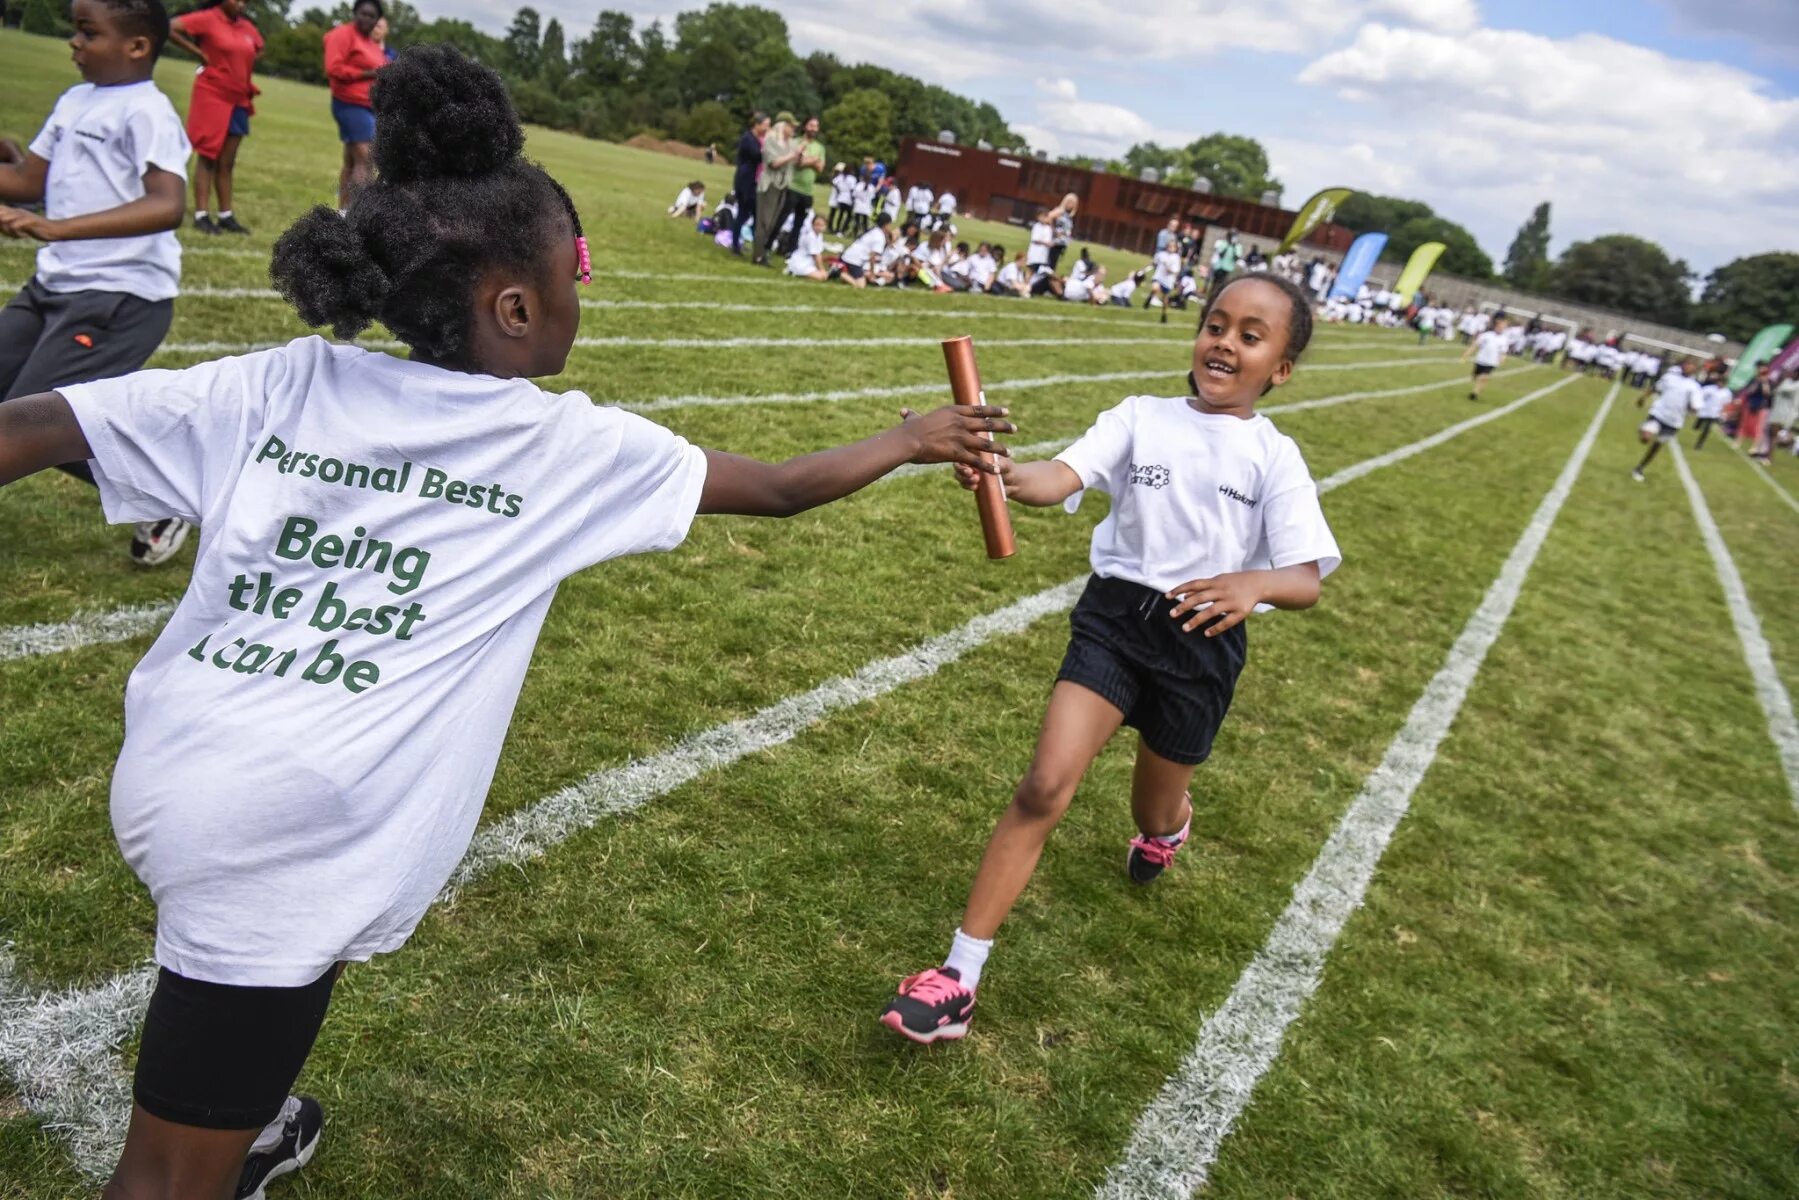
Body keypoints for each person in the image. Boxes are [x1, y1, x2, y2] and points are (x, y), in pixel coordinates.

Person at [0, 46, 1015, 1200]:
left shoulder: (280, 383)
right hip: (291, 830)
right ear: (517, 304)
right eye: (578, 272)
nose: (584, 292)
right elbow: (779, 487)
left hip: (191, 763)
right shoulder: (561, 448)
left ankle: (252, 1118)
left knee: (258, 1019)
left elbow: (31, 424)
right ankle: (219, 1147)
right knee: (164, 1180)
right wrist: (910, 438)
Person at [878, 273, 1340, 1043]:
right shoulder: (1138, 417)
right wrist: (993, 469)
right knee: (1043, 785)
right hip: (1115, 623)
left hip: (1200, 646)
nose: (1224, 343)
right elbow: (1054, 477)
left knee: (1151, 808)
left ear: (1280, 369)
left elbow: (1303, 580)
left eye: (1250, 336)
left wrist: (1249, 584)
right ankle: (958, 976)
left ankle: (1168, 828)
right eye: (1215, 324)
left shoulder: (1274, 457)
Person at [0, 0, 194, 567]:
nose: (74, 43)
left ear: (137, 46)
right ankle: (164, 492)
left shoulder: (147, 111)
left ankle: (169, 494)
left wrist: (54, 226)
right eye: (75, 31)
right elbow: (25, 178)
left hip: (120, 297)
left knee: (24, 421)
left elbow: (167, 205)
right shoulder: (75, 100)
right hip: (52, 287)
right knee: (26, 418)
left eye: (88, 32)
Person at [167, 0, 262, 235]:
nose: (241, 4)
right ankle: (201, 214)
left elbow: (259, 47)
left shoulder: (246, 27)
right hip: (213, 95)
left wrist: (239, 64)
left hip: (239, 98)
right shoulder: (207, 19)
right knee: (208, 155)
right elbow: (169, 27)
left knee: (227, 161)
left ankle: (225, 215)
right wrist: (198, 52)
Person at [322, 0, 385, 212]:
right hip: (350, 104)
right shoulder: (342, 35)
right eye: (363, 14)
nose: (366, 19)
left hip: (368, 106)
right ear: (355, 13)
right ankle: (359, 213)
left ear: (377, 20)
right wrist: (368, 74)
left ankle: (343, 213)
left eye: (371, 16)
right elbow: (334, 68)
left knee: (352, 161)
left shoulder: (371, 44)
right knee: (366, 159)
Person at [1633, 360, 1699, 481]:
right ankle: (1644, 429)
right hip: (1658, 413)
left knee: (1656, 446)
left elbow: (1695, 406)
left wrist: (1692, 409)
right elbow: (1655, 388)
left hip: (1674, 421)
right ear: (1682, 365)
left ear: (1695, 370)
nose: (1688, 368)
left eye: (1692, 366)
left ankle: (1640, 467)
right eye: (1687, 364)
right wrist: (1642, 397)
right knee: (1646, 438)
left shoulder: (1694, 387)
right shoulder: (1669, 377)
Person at [752, 111, 800, 266]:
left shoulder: (791, 143)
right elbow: (774, 163)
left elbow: (795, 163)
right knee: (764, 222)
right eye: (791, 126)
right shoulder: (771, 140)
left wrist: (799, 156)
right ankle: (758, 255)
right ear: (782, 125)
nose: (793, 129)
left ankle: (764, 252)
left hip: (783, 184)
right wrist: (793, 155)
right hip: (769, 185)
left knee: (773, 222)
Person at [774, 115, 824, 257]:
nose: (814, 129)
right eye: (811, 125)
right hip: (792, 187)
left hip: (808, 191)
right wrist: (813, 160)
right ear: (805, 126)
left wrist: (808, 160)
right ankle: (770, 242)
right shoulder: (795, 142)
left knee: (799, 223)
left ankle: (790, 249)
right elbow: (797, 163)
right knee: (781, 217)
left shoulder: (820, 147)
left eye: (816, 126)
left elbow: (820, 168)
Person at [729, 111, 767, 255]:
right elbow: (757, 156)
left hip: (752, 182)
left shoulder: (757, 139)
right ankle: (736, 244)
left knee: (750, 214)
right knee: (744, 213)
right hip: (745, 182)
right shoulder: (748, 139)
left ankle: (743, 242)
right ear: (756, 125)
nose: (767, 129)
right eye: (765, 125)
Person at [831, 211, 892, 288]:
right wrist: (872, 274)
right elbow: (872, 256)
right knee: (861, 285)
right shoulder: (880, 237)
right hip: (854, 260)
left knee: (862, 277)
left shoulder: (873, 230)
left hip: (847, 255)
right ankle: (841, 274)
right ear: (886, 225)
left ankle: (844, 273)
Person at [1738, 363, 1777, 461]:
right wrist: (1757, 382)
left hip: (1762, 406)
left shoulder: (1769, 382)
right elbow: (1749, 391)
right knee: (1744, 423)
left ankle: (1754, 447)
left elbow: (1767, 394)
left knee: (1759, 427)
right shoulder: (1754, 380)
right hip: (1751, 404)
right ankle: (1738, 441)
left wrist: (1764, 382)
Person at [1463, 315, 1507, 401]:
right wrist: (1467, 354)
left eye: (1503, 327)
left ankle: (1474, 394)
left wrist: (1502, 359)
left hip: (1491, 362)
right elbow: (1475, 345)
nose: (1501, 329)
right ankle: (1478, 386)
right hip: (1481, 359)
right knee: (1475, 377)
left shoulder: (1504, 339)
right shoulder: (1486, 335)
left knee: (1483, 377)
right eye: (1500, 327)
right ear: (1496, 326)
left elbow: (1503, 352)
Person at [785, 212, 828, 281]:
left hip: (808, 262)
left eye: (822, 225)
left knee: (824, 276)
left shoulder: (819, 235)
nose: (819, 227)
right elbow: (816, 255)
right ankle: (794, 272)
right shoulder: (811, 236)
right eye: (817, 224)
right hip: (801, 262)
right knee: (821, 277)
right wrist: (822, 270)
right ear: (812, 224)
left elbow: (818, 254)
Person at [1693, 371, 1730, 450]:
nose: (1721, 384)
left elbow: (1726, 404)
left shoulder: (1727, 393)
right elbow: (1700, 395)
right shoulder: (1709, 389)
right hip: (1705, 410)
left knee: (1707, 429)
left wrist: (1723, 413)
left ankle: (1699, 444)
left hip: (1714, 413)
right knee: (1697, 426)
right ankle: (1697, 424)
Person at [1047, 192, 1076, 272]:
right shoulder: (1060, 211)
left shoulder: (1069, 215)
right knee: (1050, 263)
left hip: (1062, 243)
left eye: (1073, 203)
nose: (1071, 205)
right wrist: (1054, 230)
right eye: (1070, 202)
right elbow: (1049, 217)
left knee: (1054, 263)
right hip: (1056, 241)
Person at [827, 162, 854, 234]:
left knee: (838, 214)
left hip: (839, 197)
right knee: (834, 213)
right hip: (838, 197)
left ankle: (834, 228)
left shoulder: (840, 177)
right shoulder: (840, 177)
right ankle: (831, 227)